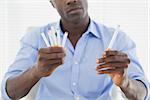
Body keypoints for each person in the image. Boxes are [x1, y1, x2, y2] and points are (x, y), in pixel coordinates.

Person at [1, 0, 149, 100]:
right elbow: (8, 92)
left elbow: (143, 94)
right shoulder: (36, 37)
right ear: (52, 2)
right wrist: (36, 72)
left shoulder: (117, 39)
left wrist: (125, 82)